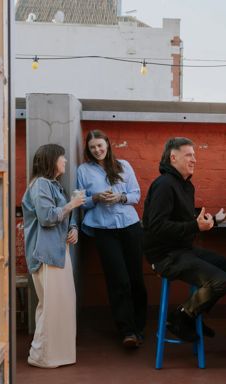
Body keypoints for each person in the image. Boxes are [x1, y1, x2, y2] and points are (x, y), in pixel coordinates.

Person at [142, 137, 226, 342]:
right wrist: (196, 226)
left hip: (183, 250)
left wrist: (214, 219)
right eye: (189, 155)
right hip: (165, 257)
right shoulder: (164, 185)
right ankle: (181, 316)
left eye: (194, 155)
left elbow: (187, 222)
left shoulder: (186, 186)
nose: (194, 159)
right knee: (220, 281)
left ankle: (193, 313)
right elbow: (157, 228)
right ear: (173, 157)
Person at [77, 129, 148, 349]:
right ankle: (126, 331)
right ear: (88, 150)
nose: (97, 150)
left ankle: (139, 326)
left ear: (107, 144)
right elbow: (80, 200)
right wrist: (95, 198)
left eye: (100, 145)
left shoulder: (124, 166)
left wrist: (121, 197)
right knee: (119, 280)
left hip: (130, 226)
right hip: (103, 230)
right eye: (92, 147)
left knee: (136, 278)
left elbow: (136, 195)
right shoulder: (83, 170)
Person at [22, 143, 85, 368]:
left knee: (60, 305)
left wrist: (73, 228)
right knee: (52, 307)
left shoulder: (54, 185)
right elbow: (47, 217)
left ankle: (54, 355)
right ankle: (42, 356)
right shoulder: (40, 185)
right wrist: (72, 204)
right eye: (62, 157)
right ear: (51, 161)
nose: (65, 161)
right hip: (46, 254)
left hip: (58, 251)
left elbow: (64, 216)